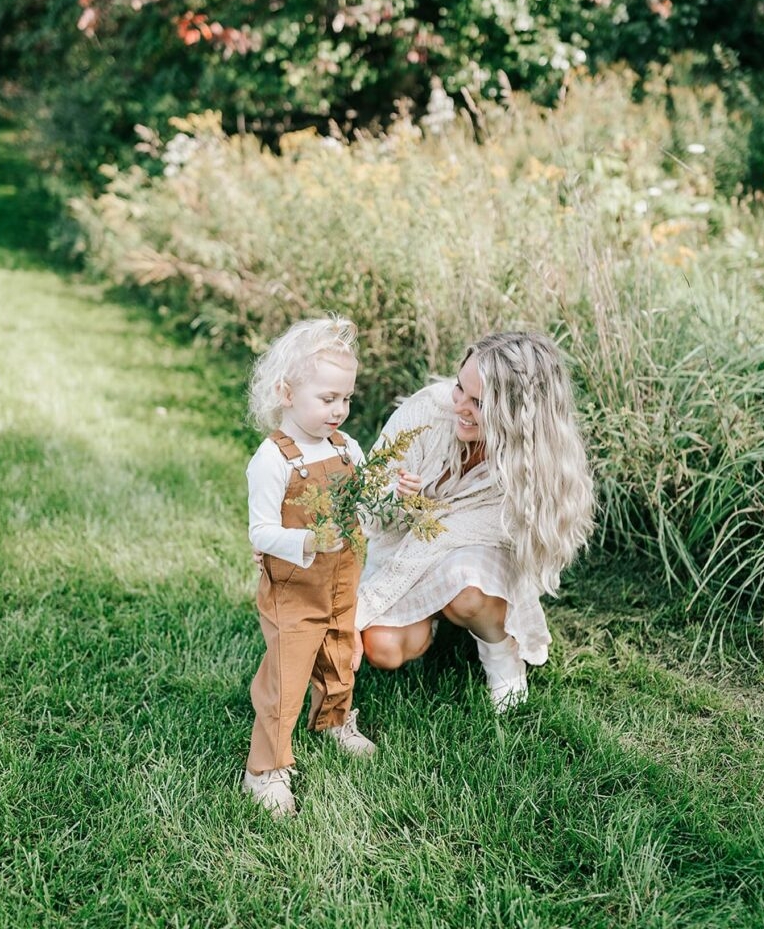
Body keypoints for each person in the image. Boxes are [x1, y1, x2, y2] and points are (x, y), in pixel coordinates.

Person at [357, 331, 595, 712]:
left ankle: (500, 650)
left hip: (472, 559)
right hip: (407, 545)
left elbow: (457, 536)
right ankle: (434, 616)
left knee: (466, 589)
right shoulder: (427, 412)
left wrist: (356, 612)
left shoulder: (531, 468)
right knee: (384, 650)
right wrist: (397, 500)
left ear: (517, 416)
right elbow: (368, 498)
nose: (459, 407)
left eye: (478, 402)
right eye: (458, 388)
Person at [243, 316, 376, 818]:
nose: (339, 410)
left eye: (345, 398)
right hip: (296, 589)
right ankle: (265, 769)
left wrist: (391, 493)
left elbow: (365, 501)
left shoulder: (347, 448)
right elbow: (260, 531)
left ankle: (334, 719)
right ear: (286, 392)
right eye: (327, 399)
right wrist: (307, 538)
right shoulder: (272, 459)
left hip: (343, 581)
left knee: (341, 654)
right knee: (287, 675)